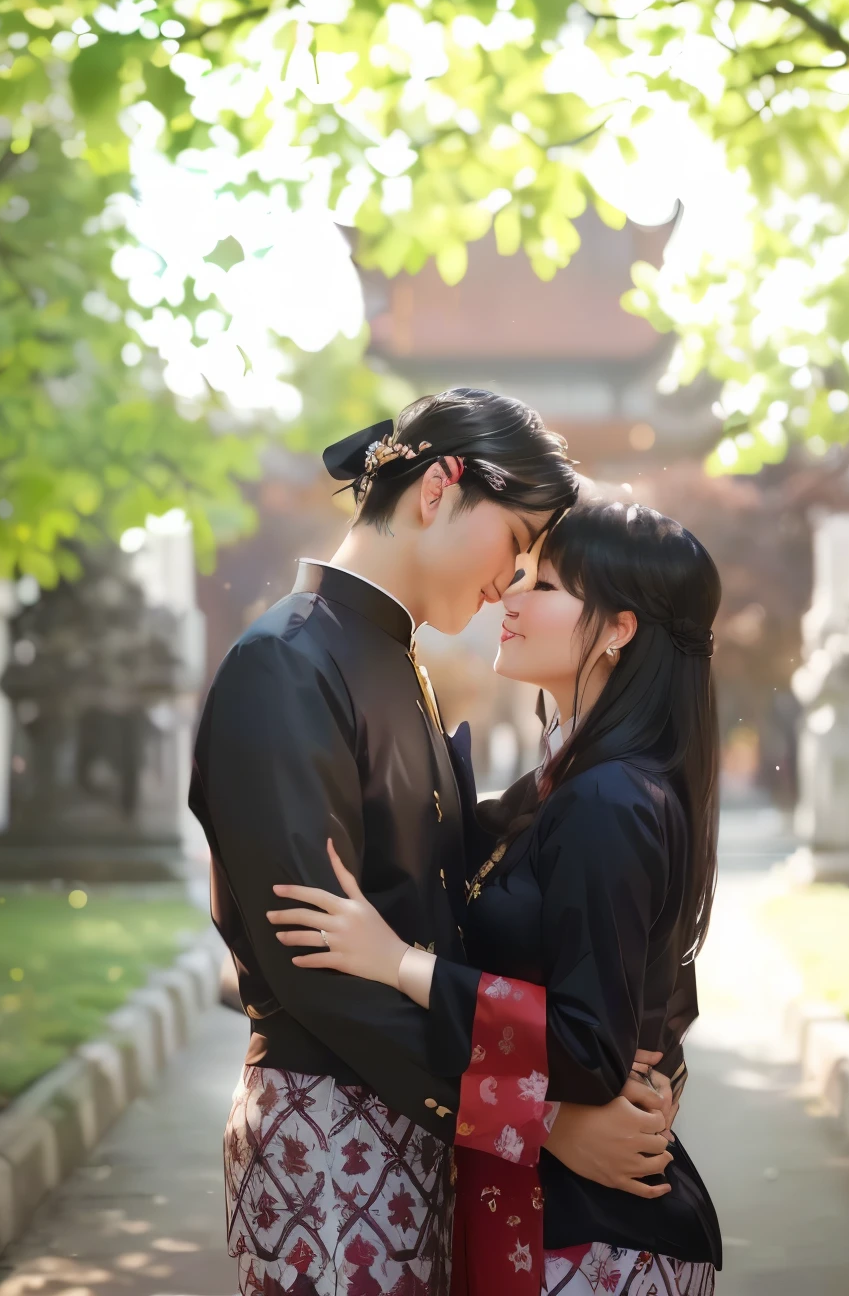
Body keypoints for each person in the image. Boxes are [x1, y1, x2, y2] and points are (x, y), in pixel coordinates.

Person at [189, 391, 672, 1296]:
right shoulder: (285, 665)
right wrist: (540, 1118)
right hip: (330, 1142)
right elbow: (314, 968)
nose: (512, 582)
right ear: (440, 487)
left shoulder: (392, 659)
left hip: (427, 1132)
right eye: (519, 542)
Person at [268, 496, 724, 1295]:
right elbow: (652, 989)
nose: (511, 593)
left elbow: (593, 1048)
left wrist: (398, 963)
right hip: (564, 1227)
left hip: (592, 1252)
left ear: (619, 630)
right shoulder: (572, 786)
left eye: (545, 585)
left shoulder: (609, 799)